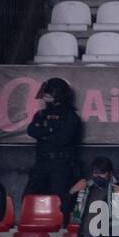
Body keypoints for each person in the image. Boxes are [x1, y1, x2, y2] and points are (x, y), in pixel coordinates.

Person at [25, 78, 82, 209]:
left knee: (61, 201)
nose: (46, 96)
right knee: (30, 198)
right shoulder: (41, 113)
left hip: (61, 164)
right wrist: (51, 130)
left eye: (50, 92)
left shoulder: (70, 115)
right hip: (41, 162)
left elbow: (63, 139)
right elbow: (32, 130)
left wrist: (43, 133)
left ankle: (62, 226)